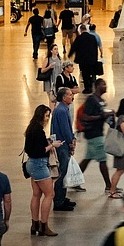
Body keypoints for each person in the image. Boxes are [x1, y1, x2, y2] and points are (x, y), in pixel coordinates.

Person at [22, 104, 60, 236]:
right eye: (47, 115)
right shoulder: (38, 130)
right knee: (50, 194)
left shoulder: (31, 128)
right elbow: (39, 151)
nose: (48, 118)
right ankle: (44, 226)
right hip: (39, 165)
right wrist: (52, 145)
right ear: (41, 116)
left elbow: (29, 148)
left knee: (36, 195)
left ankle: (34, 225)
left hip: (31, 165)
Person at [80, 79, 114, 193]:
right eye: (103, 84)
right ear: (97, 86)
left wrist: (109, 115)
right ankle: (109, 185)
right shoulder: (91, 99)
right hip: (94, 134)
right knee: (102, 159)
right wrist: (101, 116)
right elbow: (85, 116)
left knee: (88, 158)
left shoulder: (102, 101)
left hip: (97, 132)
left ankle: (74, 180)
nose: (106, 86)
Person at [50, 87, 77, 212]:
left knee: (64, 173)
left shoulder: (62, 108)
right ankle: (59, 201)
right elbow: (66, 129)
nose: (72, 96)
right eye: (70, 94)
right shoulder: (61, 110)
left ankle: (62, 197)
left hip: (63, 144)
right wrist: (71, 142)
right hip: (62, 145)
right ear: (63, 97)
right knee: (62, 173)